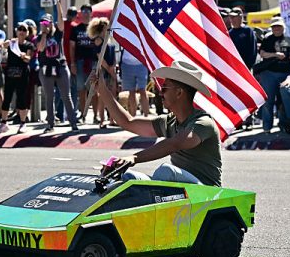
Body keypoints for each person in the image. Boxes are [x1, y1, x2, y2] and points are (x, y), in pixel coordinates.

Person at [90, 60, 222, 186]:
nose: (160, 93)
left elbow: (175, 144)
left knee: (166, 171)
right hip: (182, 191)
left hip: (207, 194)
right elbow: (128, 122)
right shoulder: (169, 121)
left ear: (179, 93)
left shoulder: (203, 122)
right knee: (126, 176)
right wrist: (102, 89)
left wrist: (133, 157)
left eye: (164, 88)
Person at [37, 6, 78, 133]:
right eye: (43, 23)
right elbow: (41, 49)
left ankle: (73, 123)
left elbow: (61, 20)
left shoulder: (58, 33)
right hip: (46, 68)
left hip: (60, 67)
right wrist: (44, 33)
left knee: (66, 95)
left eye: (47, 23)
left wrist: (58, 4)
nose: (45, 25)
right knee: (50, 97)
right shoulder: (40, 36)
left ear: (51, 23)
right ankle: (50, 124)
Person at [256, 17, 290, 134]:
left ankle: (283, 124)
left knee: (283, 100)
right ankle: (267, 127)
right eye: (274, 27)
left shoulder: (289, 40)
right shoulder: (268, 39)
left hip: (285, 73)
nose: (277, 29)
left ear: (283, 27)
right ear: (272, 28)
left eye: (279, 26)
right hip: (269, 73)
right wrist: (275, 55)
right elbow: (262, 54)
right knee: (268, 100)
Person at [0, 23, 34, 134]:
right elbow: (2, 46)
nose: (21, 32)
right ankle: (3, 122)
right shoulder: (12, 43)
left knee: (21, 98)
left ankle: (23, 123)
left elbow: (28, 58)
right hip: (10, 74)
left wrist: (24, 56)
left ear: (27, 32)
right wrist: (6, 43)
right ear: (16, 31)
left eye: (24, 30)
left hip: (22, 75)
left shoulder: (29, 45)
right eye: (19, 29)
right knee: (7, 98)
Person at [88, 17, 117, 129]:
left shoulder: (109, 39)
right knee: (102, 96)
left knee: (112, 95)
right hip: (102, 70)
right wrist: (109, 69)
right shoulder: (98, 40)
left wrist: (113, 67)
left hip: (110, 69)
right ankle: (102, 120)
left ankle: (112, 119)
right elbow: (99, 56)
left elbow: (113, 56)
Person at [69, 4, 96, 120]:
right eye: (83, 11)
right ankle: (83, 114)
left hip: (93, 62)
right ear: (80, 13)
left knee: (94, 90)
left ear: (91, 13)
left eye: (87, 11)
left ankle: (96, 116)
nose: (85, 13)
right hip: (80, 62)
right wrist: (72, 63)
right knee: (81, 89)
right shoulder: (75, 29)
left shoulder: (95, 28)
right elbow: (72, 47)